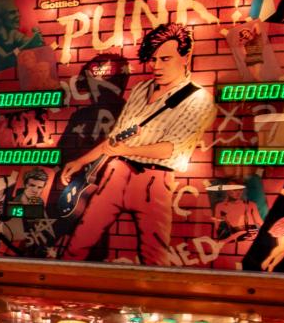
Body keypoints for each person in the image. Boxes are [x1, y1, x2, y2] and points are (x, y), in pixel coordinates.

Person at [57, 22, 213, 266]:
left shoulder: (198, 98)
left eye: (165, 59)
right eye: (153, 59)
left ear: (186, 57)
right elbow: (116, 138)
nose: (156, 66)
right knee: (79, 241)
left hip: (154, 181)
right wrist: (82, 161)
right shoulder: (141, 89)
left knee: (154, 255)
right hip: (117, 172)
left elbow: (173, 149)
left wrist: (127, 150)